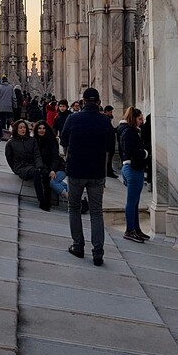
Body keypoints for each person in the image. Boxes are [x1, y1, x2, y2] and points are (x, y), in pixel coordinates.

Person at [60, 87, 115, 266]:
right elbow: (110, 147)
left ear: (83, 102)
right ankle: (98, 252)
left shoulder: (73, 118)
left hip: (76, 170)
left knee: (74, 208)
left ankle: (78, 246)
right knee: (96, 212)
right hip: (97, 172)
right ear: (99, 103)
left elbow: (64, 141)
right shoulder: (105, 121)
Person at [117, 107, 150, 243]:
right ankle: (130, 230)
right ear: (133, 119)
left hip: (131, 168)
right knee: (131, 202)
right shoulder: (129, 133)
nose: (142, 121)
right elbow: (133, 151)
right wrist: (146, 153)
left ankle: (136, 229)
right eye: (140, 119)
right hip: (133, 168)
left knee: (135, 201)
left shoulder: (129, 131)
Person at [6, 119, 51, 211]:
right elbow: (9, 158)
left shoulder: (32, 140)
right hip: (21, 166)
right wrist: (15, 169)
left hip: (33, 164)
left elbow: (37, 154)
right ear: (16, 129)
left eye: (24, 128)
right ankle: (41, 200)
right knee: (36, 173)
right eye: (20, 128)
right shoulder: (11, 143)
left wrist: (39, 166)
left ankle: (48, 198)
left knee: (45, 173)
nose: (23, 130)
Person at [34, 120, 67, 201]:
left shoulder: (51, 141)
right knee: (60, 184)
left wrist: (53, 170)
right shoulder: (34, 141)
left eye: (44, 128)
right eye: (39, 128)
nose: (41, 130)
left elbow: (55, 158)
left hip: (59, 167)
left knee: (52, 182)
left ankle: (72, 199)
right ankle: (79, 199)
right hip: (48, 169)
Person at [103, 105, 120, 180]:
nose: (111, 113)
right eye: (110, 112)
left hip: (110, 142)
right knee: (108, 159)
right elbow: (109, 131)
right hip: (108, 143)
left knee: (110, 158)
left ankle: (109, 170)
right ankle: (108, 171)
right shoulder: (105, 119)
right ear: (106, 112)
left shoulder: (108, 119)